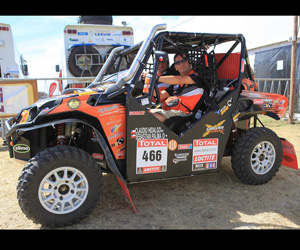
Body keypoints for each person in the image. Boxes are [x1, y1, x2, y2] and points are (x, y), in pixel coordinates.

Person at [150, 52, 204, 123]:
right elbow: (160, 95)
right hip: (172, 112)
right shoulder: (176, 85)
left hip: (185, 114)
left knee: (146, 116)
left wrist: (156, 78)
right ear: (175, 67)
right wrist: (148, 82)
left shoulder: (196, 76)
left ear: (190, 62)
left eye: (184, 61)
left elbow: (180, 80)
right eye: (178, 62)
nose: (181, 64)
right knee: (141, 112)